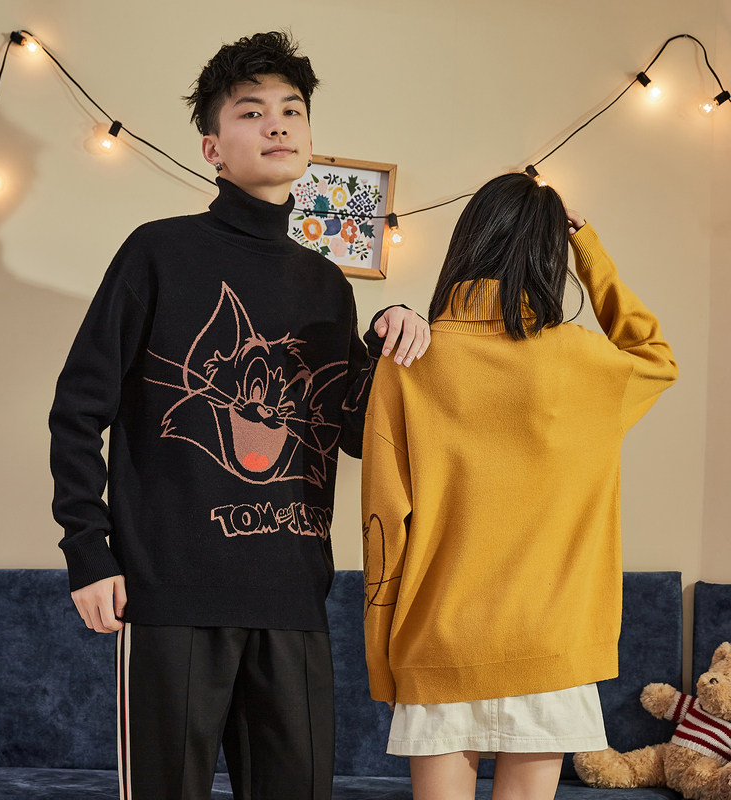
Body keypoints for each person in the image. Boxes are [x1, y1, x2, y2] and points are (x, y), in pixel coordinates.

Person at [49, 31, 430, 800]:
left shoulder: (327, 284)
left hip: (293, 598)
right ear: (213, 148)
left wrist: (388, 344)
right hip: (171, 594)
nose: (277, 124)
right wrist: (88, 552)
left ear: (309, 137)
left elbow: (351, 435)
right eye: (251, 112)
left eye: (292, 110)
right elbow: (77, 410)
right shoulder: (158, 253)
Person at [360, 172, 678, 800]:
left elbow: (383, 523)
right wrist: (588, 246)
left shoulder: (411, 359)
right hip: (549, 643)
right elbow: (655, 353)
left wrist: (384, 663)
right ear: (549, 257)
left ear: (468, 242)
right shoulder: (588, 365)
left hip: (438, 639)